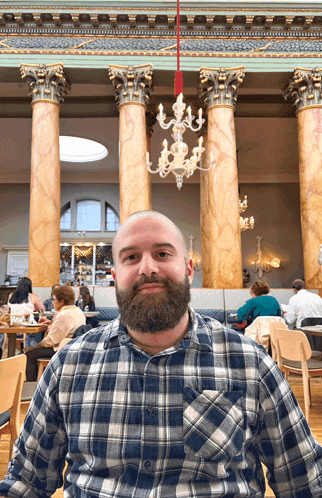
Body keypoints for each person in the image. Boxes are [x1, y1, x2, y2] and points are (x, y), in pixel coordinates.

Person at [0, 211, 322, 498]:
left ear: (188, 269)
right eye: (130, 258)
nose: (148, 268)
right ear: (115, 277)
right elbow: (25, 483)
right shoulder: (68, 367)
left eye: (162, 253)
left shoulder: (251, 364)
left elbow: (306, 482)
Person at [24, 285, 86, 381]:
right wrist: (51, 323)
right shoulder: (77, 310)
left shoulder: (63, 315)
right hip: (71, 348)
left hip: (59, 349)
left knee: (29, 354)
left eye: (55, 300)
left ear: (61, 302)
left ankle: (32, 388)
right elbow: (66, 327)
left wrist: (35, 346)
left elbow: (50, 342)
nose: (53, 303)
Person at [284, 278, 322, 351]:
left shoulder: (294, 299)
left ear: (294, 290)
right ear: (305, 287)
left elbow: (290, 320)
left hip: (303, 333)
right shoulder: (317, 297)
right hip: (319, 331)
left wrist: (285, 315)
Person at [7, 277, 45, 348]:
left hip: (12, 325)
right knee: (39, 325)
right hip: (27, 325)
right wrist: (34, 295)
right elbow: (42, 309)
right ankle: (32, 349)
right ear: (30, 287)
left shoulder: (11, 295)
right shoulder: (32, 296)